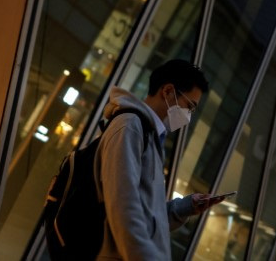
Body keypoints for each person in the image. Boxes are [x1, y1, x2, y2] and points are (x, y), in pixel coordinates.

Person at [94, 59, 221, 259]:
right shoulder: (131, 127)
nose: (189, 115)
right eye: (190, 106)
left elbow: (147, 217)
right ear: (168, 91)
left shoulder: (150, 135)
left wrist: (186, 206)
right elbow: (123, 207)